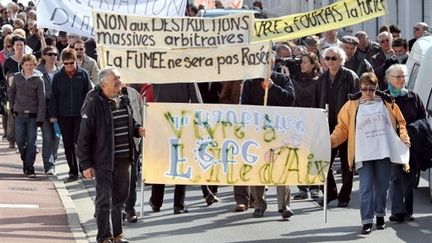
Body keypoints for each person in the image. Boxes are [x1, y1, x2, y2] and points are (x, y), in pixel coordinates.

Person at [330, 72, 410, 234]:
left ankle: (380, 214)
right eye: (365, 89)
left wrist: (404, 138)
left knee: (382, 187)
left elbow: (400, 123)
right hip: (363, 153)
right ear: (360, 88)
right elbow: (343, 128)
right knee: (366, 187)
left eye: (371, 89)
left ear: (376, 88)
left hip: (384, 152)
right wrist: (329, 142)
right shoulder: (351, 105)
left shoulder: (388, 103)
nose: (368, 92)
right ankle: (366, 221)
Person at [77, 67, 145, 243]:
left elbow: (131, 122)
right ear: (104, 83)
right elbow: (84, 136)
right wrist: (85, 164)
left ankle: (117, 235)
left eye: (120, 78)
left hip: (124, 159)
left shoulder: (124, 99)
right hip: (103, 161)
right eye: (116, 79)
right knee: (104, 200)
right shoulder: (94, 103)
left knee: (120, 200)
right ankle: (104, 237)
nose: (119, 82)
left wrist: (138, 130)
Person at [241, 69, 295, 219]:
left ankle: (284, 206)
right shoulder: (250, 82)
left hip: (279, 131)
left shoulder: (283, 79)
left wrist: (273, 88)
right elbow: (244, 106)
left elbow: (290, 99)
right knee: (258, 168)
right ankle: (259, 204)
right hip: (258, 132)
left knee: (281, 168)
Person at [312, 46, 359, 207]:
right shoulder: (322, 79)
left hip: (345, 126)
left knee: (347, 165)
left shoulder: (350, 77)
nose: (330, 61)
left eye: (334, 58)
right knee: (322, 162)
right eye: (328, 58)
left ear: (341, 60)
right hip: (326, 126)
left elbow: (357, 102)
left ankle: (344, 197)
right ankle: (330, 193)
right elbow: (315, 103)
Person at [149, 82, 200, 214]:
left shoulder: (159, 68)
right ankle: (178, 204)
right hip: (181, 121)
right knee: (181, 162)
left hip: (161, 120)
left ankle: (156, 201)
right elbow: (196, 101)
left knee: (162, 161)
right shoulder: (188, 71)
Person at [385, 64, 426, 222]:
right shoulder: (384, 97)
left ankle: (408, 211)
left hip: (411, 144)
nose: (401, 79)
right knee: (395, 177)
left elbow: (423, 118)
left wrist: (412, 129)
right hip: (392, 145)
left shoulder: (413, 97)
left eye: (403, 77)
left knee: (409, 179)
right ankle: (397, 211)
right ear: (389, 78)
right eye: (398, 77)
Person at [49, 48, 92, 182]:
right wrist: (53, 114)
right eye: (66, 63)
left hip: (80, 114)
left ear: (76, 61)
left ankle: (83, 168)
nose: (68, 66)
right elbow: (54, 96)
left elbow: (89, 94)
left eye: (71, 63)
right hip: (64, 115)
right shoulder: (57, 76)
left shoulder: (83, 74)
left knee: (80, 142)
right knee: (67, 143)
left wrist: (89, 112)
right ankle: (72, 171)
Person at [8, 54, 45, 178]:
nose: (29, 67)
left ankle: (30, 167)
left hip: (33, 116)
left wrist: (40, 118)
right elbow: (12, 92)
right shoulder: (17, 77)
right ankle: (26, 158)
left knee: (31, 142)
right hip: (19, 115)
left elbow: (42, 100)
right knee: (19, 140)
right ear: (22, 65)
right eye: (26, 64)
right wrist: (12, 107)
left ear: (34, 65)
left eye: (31, 64)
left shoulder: (39, 80)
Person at [291, 52, 321, 200]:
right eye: (301, 62)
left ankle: (315, 186)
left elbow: (303, 94)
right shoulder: (295, 79)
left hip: (313, 121)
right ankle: (302, 187)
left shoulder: (318, 80)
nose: (302, 65)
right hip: (298, 121)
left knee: (313, 154)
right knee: (299, 155)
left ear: (313, 64)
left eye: (305, 62)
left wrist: (293, 82)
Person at [220, 80, 251, 211]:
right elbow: (223, 97)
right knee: (239, 160)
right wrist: (234, 109)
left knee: (252, 159)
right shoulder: (233, 79)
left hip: (253, 121)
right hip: (236, 122)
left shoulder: (257, 79)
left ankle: (255, 197)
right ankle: (241, 199)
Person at [37, 46, 60, 175]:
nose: (53, 57)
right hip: (44, 109)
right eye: (50, 54)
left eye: (55, 55)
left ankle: (53, 160)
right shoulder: (38, 71)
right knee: (47, 138)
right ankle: (49, 166)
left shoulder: (61, 72)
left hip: (58, 110)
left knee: (57, 138)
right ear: (44, 56)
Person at [123, 84, 143, 224]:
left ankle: (130, 209)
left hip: (132, 143)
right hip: (108, 146)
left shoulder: (133, 94)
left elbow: (140, 117)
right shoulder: (96, 95)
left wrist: (140, 130)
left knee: (132, 176)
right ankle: (108, 208)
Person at [3, 34, 26, 149]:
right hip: (12, 93)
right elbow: (4, 77)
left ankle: (25, 140)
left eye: (21, 45)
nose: (19, 47)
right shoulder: (8, 62)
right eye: (17, 45)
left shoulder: (28, 59)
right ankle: (11, 139)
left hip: (27, 93)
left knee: (27, 116)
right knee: (12, 116)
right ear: (13, 47)